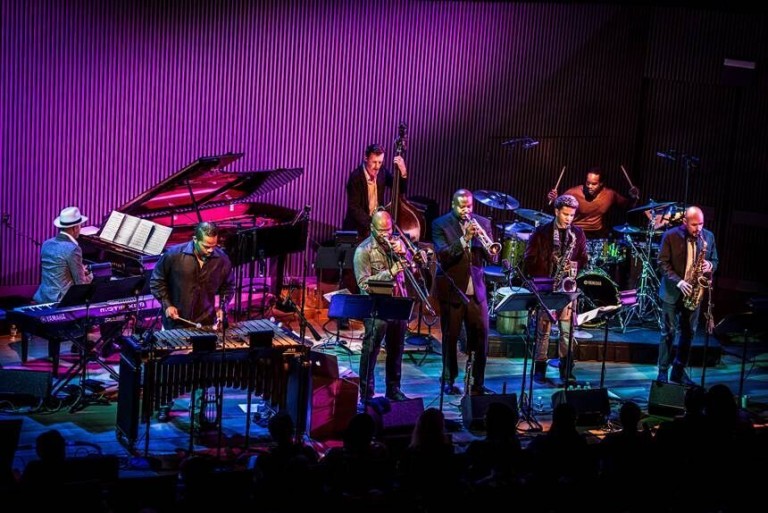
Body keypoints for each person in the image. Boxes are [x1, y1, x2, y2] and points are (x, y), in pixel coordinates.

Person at [431, 189, 494, 396]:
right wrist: (464, 239)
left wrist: (486, 244)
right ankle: (448, 379)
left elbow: (492, 257)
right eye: (462, 206)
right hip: (452, 289)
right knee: (450, 337)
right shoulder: (440, 224)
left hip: (476, 290)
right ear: (452, 204)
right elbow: (443, 256)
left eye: (469, 206)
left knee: (482, 336)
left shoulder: (483, 223)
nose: (466, 210)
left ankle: (478, 382)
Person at [523, 194, 589, 386]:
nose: (569, 219)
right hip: (547, 286)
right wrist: (547, 269)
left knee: (567, 332)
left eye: (572, 215)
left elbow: (583, 258)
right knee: (543, 332)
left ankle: (566, 371)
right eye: (566, 215)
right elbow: (528, 259)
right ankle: (539, 370)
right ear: (556, 211)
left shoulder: (578, 233)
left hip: (567, 288)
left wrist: (573, 266)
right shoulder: (540, 233)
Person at [352, 209, 411, 403]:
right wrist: (390, 272)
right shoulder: (363, 250)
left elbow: (413, 270)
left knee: (397, 349)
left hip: (398, 303)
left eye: (388, 229)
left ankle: (393, 389)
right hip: (376, 307)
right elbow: (363, 284)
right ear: (372, 228)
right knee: (371, 350)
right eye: (381, 231)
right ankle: (366, 393)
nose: (386, 235)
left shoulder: (397, 245)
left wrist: (406, 255)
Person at [656, 206, 717, 386]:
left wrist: (710, 266)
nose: (698, 228)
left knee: (689, 333)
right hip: (672, 291)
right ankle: (662, 372)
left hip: (694, 293)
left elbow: (715, 260)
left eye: (701, 224)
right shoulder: (670, 236)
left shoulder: (708, 237)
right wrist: (679, 281)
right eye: (694, 225)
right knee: (668, 332)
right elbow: (662, 263)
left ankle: (679, 370)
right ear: (684, 222)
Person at [32, 206, 94, 362]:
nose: (80, 229)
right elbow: (80, 283)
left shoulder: (47, 244)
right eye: (80, 226)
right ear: (74, 228)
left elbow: (58, 272)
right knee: (93, 297)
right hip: (60, 301)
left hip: (44, 295)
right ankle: (86, 345)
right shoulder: (73, 248)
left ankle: (79, 343)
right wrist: (91, 275)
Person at [150, 221, 235, 330]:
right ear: (195, 239)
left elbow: (228, 286)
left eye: (214, 246)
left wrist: (223, 307)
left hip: (206, 322)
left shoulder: (222, 259)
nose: (210, 250)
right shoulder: (173, 255)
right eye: (206, 246)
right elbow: (157, 281)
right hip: (176, 322)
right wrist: (167, 305)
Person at [547, 167, 639, 239]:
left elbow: (628, 206)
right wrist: (554, 199)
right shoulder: (573, 193)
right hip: (576, 232)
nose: (589, 186)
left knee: (608, 248)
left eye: (594, 184)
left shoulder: (610, 194)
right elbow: (558, 209)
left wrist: (633, 197)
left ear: (601, 183)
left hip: (598, 234)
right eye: (587, 183)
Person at [342, 143, 408, 240]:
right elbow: (354, 208)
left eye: (380, 162)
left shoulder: (382, 172)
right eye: (374, 162)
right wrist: (374, 224)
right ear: (366, 158)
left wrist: (403, 171)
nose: (377, 166)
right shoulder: (355, 177)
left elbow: (400, 189)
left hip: (376, 230)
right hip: (358, 230)